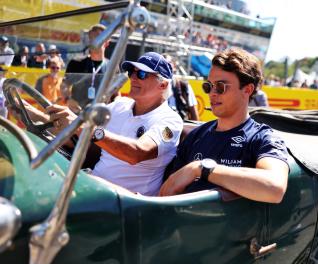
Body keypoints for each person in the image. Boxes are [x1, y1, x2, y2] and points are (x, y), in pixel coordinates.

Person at [159, 48, 289, 203]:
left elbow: (274, 188)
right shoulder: (195, 136)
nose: (212, 93)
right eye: (208, 86)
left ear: (247, 89)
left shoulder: (263, 138)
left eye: (221, 86)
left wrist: (201, 168)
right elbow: (167, 193)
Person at [45, 52, 183, 196]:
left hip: (127, 203)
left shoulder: (170, 120)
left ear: (163, 84)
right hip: (91, 187)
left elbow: (137, 153)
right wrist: (27, 110)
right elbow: (74, 125)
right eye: (131, 72)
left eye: (142, 74)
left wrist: (87, 129)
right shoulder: (120, 106)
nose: (133, 78)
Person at [64, 24, 114, 109]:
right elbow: (64, 86)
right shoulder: (75, 63)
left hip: (100, 116)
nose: (93, 40)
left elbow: (115, 92)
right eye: (91, 38)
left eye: (98, 37)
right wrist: (68, 99)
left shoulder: (113, 66)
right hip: (77, 115)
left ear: (107, 42)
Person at [164, 54, 200, 121]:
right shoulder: (152, 87)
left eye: (168, 63)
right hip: (160, 127)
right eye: (162, 64)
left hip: (180, 127)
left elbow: (194, 113)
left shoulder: (183, 86)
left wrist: (196, 131)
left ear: (174, 66)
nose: (165, 67)